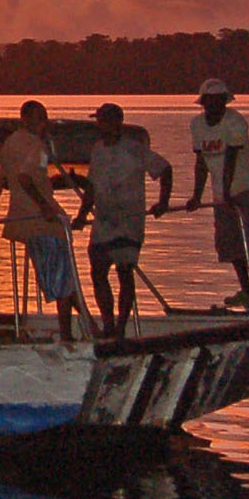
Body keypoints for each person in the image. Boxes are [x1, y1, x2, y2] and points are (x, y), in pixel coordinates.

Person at [77, 103, 171, 338]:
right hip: (104, 221)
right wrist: (81, 214)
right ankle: (108, 324)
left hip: (129, 221)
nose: (101, 125)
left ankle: (120, 325)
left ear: (117, 122)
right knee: (98, 271)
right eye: (99, 121)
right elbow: (91, 186)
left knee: (124, 271)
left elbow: (164, 169)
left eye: (104, 121)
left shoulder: (134, 149)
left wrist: (163, 202)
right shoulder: (98, 149)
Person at [0, 99, 88, 339]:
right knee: (63, 281)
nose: (44, 124)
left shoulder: (10, 143)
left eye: (45, 119)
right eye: (41, 119)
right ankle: (69, 334)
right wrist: (45, 207)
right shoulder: (37, 147)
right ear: (26, 119)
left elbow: (3, 179)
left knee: (62, 279)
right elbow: (24, 177)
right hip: (43, 222)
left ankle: (90, 325)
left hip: (22, 220)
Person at [185, 78, 249, 311]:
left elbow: (231, 158)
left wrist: (228, 192)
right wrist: (196, 195)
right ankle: (246, 291)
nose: (214, 106)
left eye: (219, 101)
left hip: (246, 186)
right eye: (210, 101)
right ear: (203, 103)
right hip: (221, 193)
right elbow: (201, 162)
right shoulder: (197, 125)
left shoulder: (235, 121)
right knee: (228, 242)